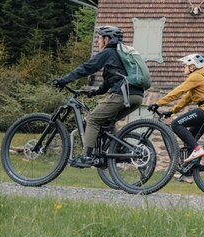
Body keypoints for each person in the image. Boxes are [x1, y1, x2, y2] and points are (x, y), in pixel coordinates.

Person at [53, 25, 144, 168]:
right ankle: (120, 150)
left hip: (122, 94)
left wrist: (64, 80)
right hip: (137, 96)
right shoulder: (121, 56)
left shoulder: (108, 52)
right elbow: (109, 82)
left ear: (107, 39)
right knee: (107, 122)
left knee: (93, 119)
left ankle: (86, 156)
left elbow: (87, 68)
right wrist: (94, 92)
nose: (98, 42)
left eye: (100, 38)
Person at [148, 53, 204, 166]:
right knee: (190, 138)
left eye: (184, 66)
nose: (183, 68)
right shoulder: (198, 79)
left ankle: (197, 149)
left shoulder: (195, 76)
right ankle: (190, 170)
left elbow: (179, 91)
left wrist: (158, 103)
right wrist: (172, 111)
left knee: (176, 124)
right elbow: (186, 99)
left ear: (192, 67)